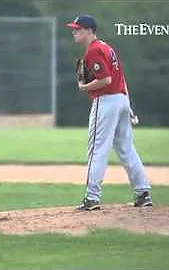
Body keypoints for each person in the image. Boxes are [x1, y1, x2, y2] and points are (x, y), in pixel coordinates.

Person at [66, 15, 153, 210]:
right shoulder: (107, 48)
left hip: (105, 102)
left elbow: (104, 80)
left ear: (89, 31)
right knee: (126, 148)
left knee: (97, 149)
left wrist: (84, 86)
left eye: (78, 29)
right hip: (120, 98)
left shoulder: (93, 51)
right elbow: (120, 77)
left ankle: (92, 198)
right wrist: (127, 104)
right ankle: (143, 193)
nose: (74, 32)